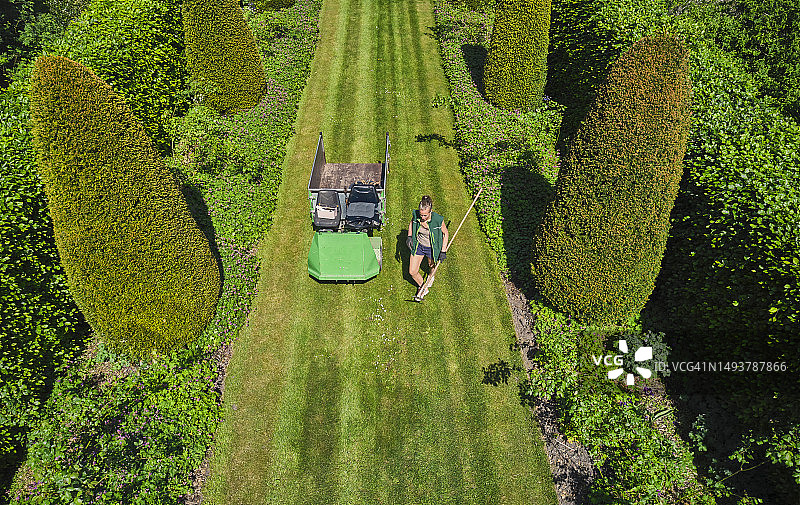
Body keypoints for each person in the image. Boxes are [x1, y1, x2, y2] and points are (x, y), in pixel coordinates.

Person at [406, 195, 449, 298]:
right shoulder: (417, 215)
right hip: (419, 245)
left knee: (431, 266)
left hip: (432, 247)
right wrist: (409, 236)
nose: (422, 217)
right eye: (421, 215)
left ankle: (430, 276)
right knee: (412, 271)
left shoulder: (437, 220)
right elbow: (412, 222)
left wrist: (443, 251)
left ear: (431, 212)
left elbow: (445, 233)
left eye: (425, 215)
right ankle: (423, 287)